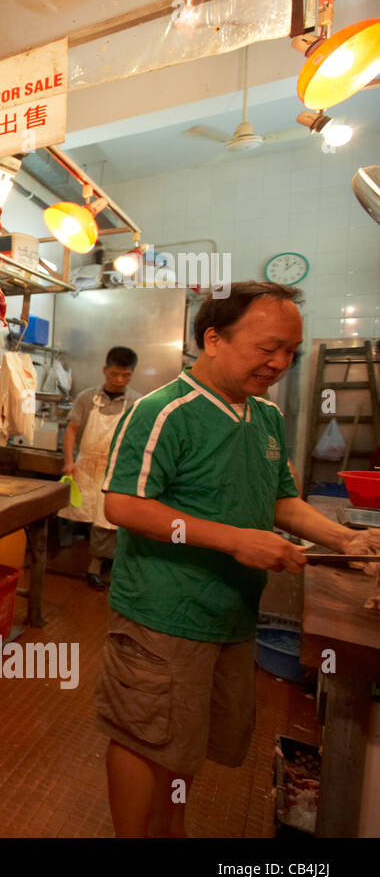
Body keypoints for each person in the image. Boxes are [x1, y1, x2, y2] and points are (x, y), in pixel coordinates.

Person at [97, 282, 380, 838]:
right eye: (267, 348)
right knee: (143, 734)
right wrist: (234, 540)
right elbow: (122, 505)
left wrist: (342, 539)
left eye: (290, 353)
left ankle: (169, 830)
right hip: (162, 613)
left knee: (188, 740)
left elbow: (281, 502)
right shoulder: (164, 411)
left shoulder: (265, 418)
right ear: (214, 340)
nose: (279, 363)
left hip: (229, 614)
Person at [60, 347, 142, 590]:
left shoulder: (136, 402)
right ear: (105, 370)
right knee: (96, 521)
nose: (119, 380)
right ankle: (95, 567)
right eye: (114, 374)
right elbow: (72, 430)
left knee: (112, 522)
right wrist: (69, 461)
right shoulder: (87, 398)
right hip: (87, 466)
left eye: (126, 375)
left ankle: (107, 567)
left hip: (118, 469)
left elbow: (140, 438)